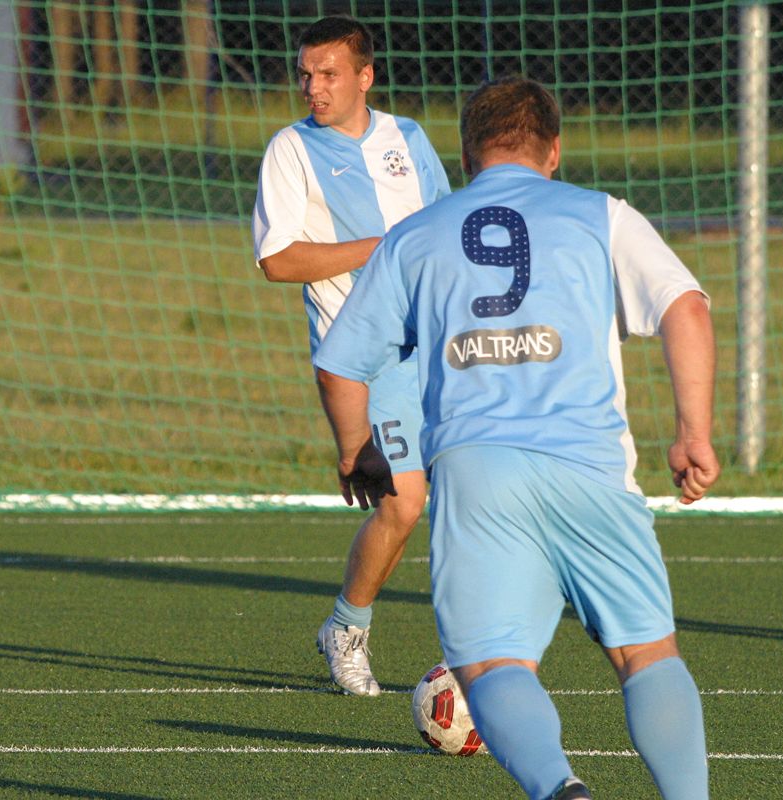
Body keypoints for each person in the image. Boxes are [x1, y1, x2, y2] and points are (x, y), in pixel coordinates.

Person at [313, 77, 719, 800]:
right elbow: (686, 307)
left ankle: (560, 789)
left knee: (491, 664)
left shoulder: (416, 235)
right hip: (591, 463)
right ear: (553, 152)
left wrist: (357, 449)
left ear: (467, 156)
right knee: (646, 653)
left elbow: (340, 364)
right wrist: (694, 434)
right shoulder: (604, 215)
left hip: (477, 473)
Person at [251, 16, 450, 696]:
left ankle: (485, 651)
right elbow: (278, 261)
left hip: (439, 344)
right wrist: (381, 249)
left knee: (482, 494)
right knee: (403, 503)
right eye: (306, 74)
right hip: (365, 354)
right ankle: (347, 627)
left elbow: (443, 229)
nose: (314, 87)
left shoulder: (409, 137)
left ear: (365, 76)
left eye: (329, 74)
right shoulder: (291, 149)